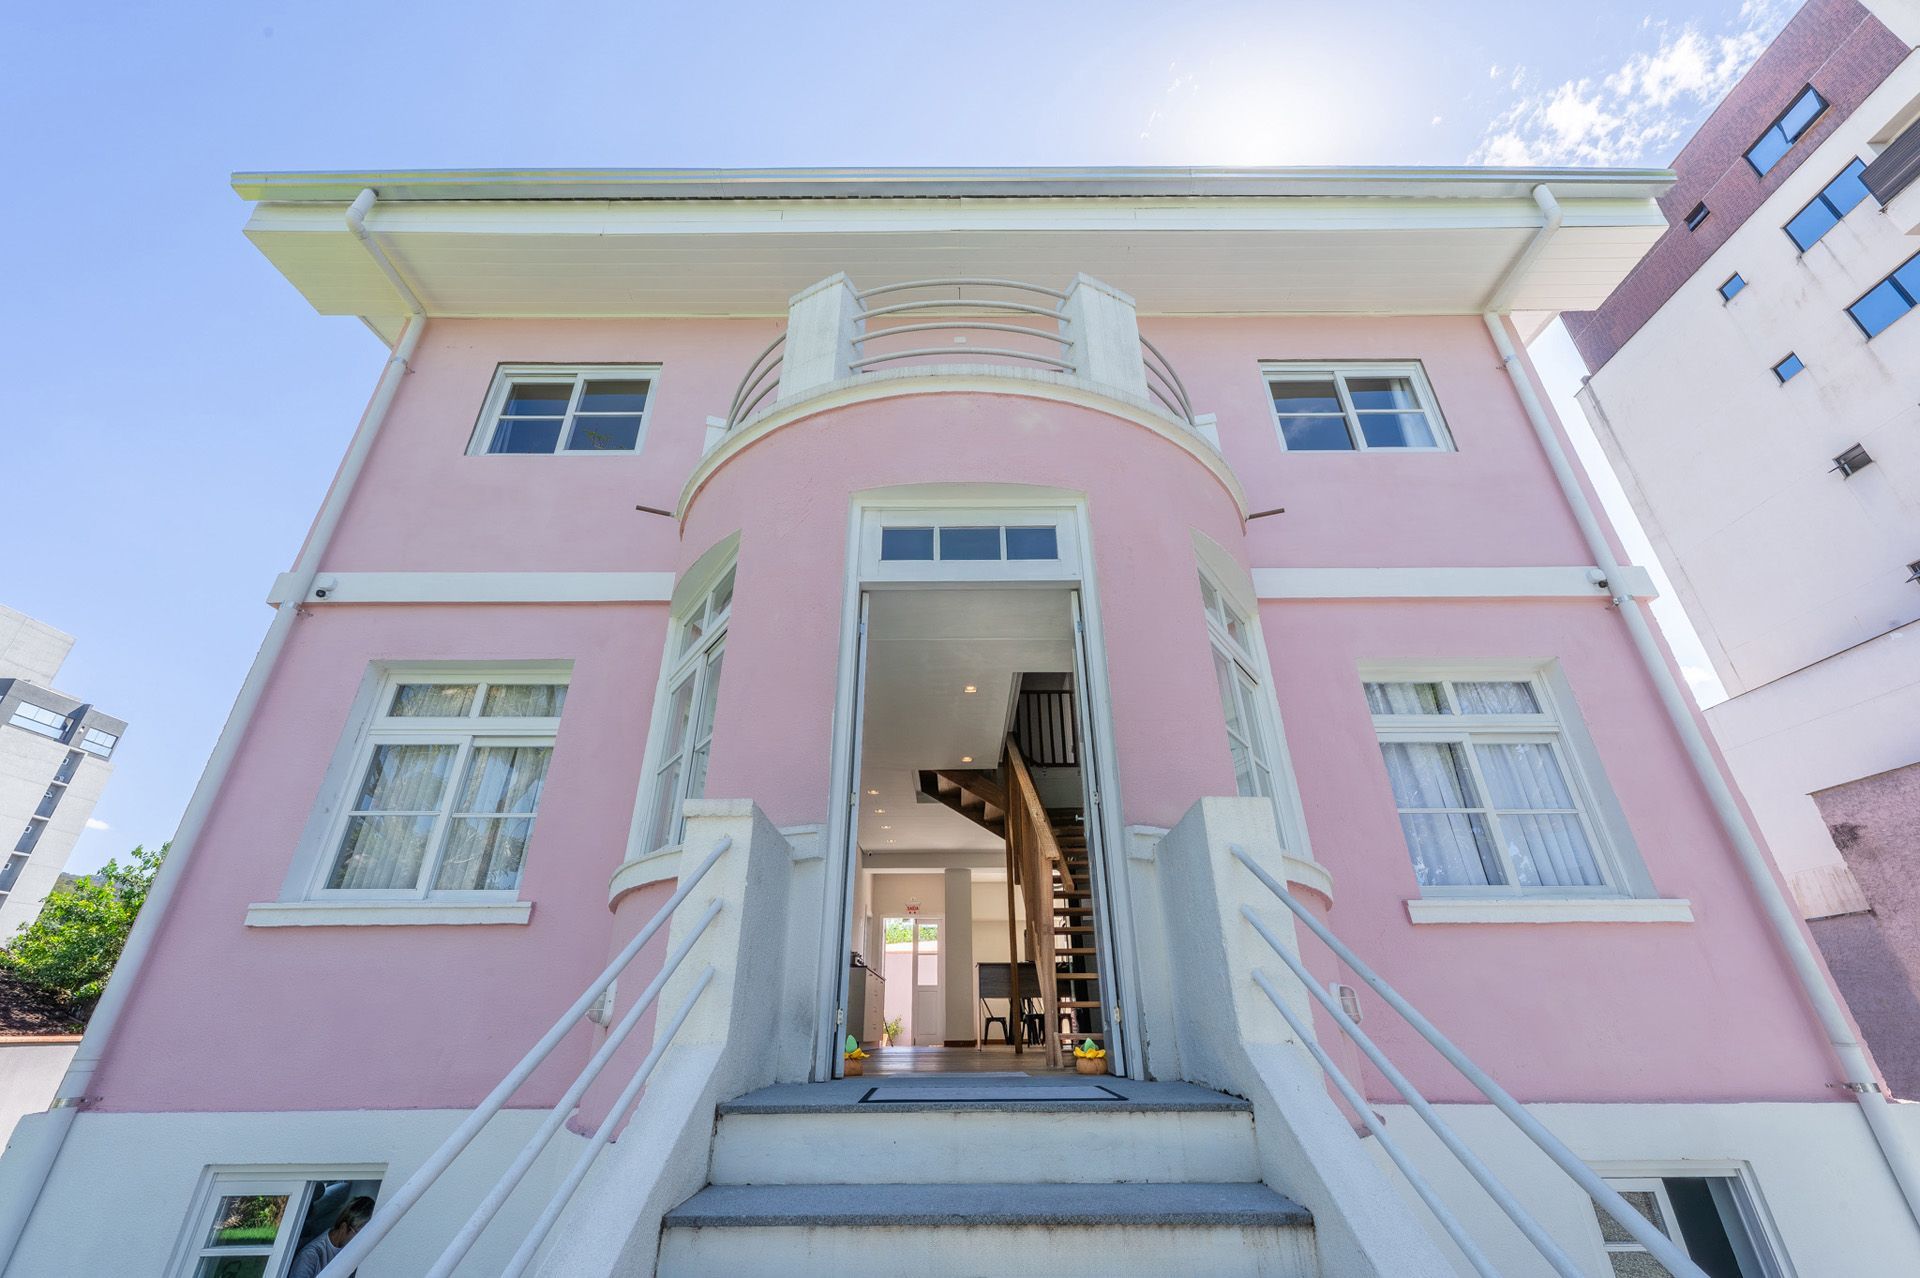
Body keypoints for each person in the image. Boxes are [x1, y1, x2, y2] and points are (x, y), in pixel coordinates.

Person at [287, 1196, 374, 1278]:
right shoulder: (309, 1257)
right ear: (343, 1227)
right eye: (359, 1236)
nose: (361, 1242)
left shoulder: (353, 1251)